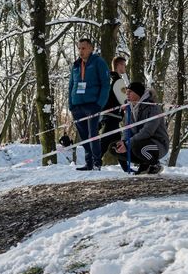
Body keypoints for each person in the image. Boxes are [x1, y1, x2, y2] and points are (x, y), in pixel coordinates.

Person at [68, 38, 110, 170]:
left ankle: (97, 162)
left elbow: (105, 85)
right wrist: (71, 105)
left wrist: (99, 104)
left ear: (91, 48)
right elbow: (71, 86)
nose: (81, 51)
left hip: (92, 105)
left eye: (84, 48)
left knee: (93, 135)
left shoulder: (98, 62)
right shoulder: (76, 65)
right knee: (84, 137)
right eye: (79, 48)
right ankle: (89, 162)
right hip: (77, 106)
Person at [109, 82, 169, 174]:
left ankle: (154, 164)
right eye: (126, 91)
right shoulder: (130, 108)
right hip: (137, 143)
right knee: (114, 147)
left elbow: (148, 131)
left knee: (138, 146)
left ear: (138, 93)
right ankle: (144, 164)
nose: (127, 94)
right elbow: (127, 129)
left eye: (130, 92)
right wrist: (124, 142)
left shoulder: (153, 108)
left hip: (157, 144)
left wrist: (128, 143)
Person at [99, 56, 129, 159]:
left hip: (107, 115)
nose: (125, 68)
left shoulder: (108, 79)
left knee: (117, 143)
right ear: (119, 66)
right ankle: (94, 162)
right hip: (113, 116)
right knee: (105, 141)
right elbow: (124, 100)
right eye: (124, 65)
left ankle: (126, 167)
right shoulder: (118, 81)